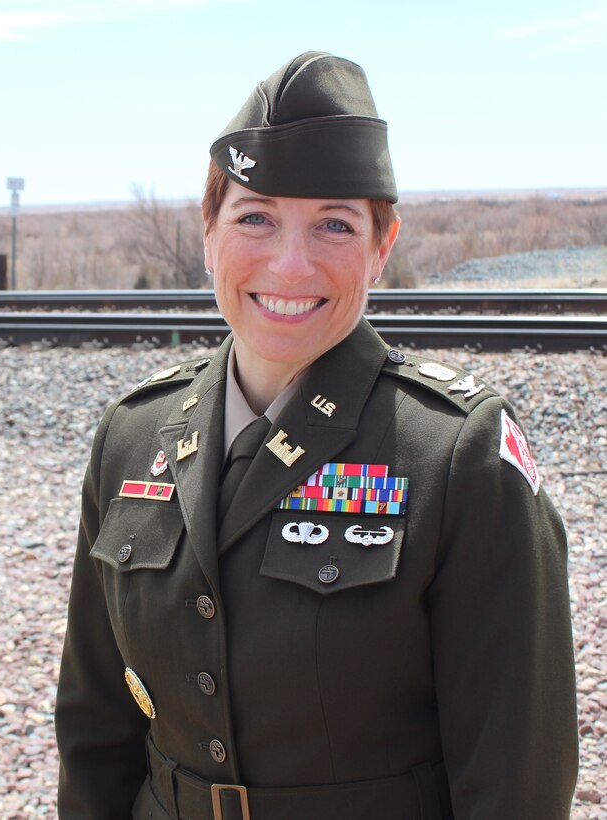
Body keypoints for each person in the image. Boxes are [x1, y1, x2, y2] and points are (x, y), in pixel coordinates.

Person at [55, 52, 578, 819]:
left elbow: (515, 784)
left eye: (334, 224)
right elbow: (95, 729)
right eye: (255, 217)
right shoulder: (134, 436)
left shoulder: (455, 455)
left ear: (382, 245)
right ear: (208, 233)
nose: (290, 263)